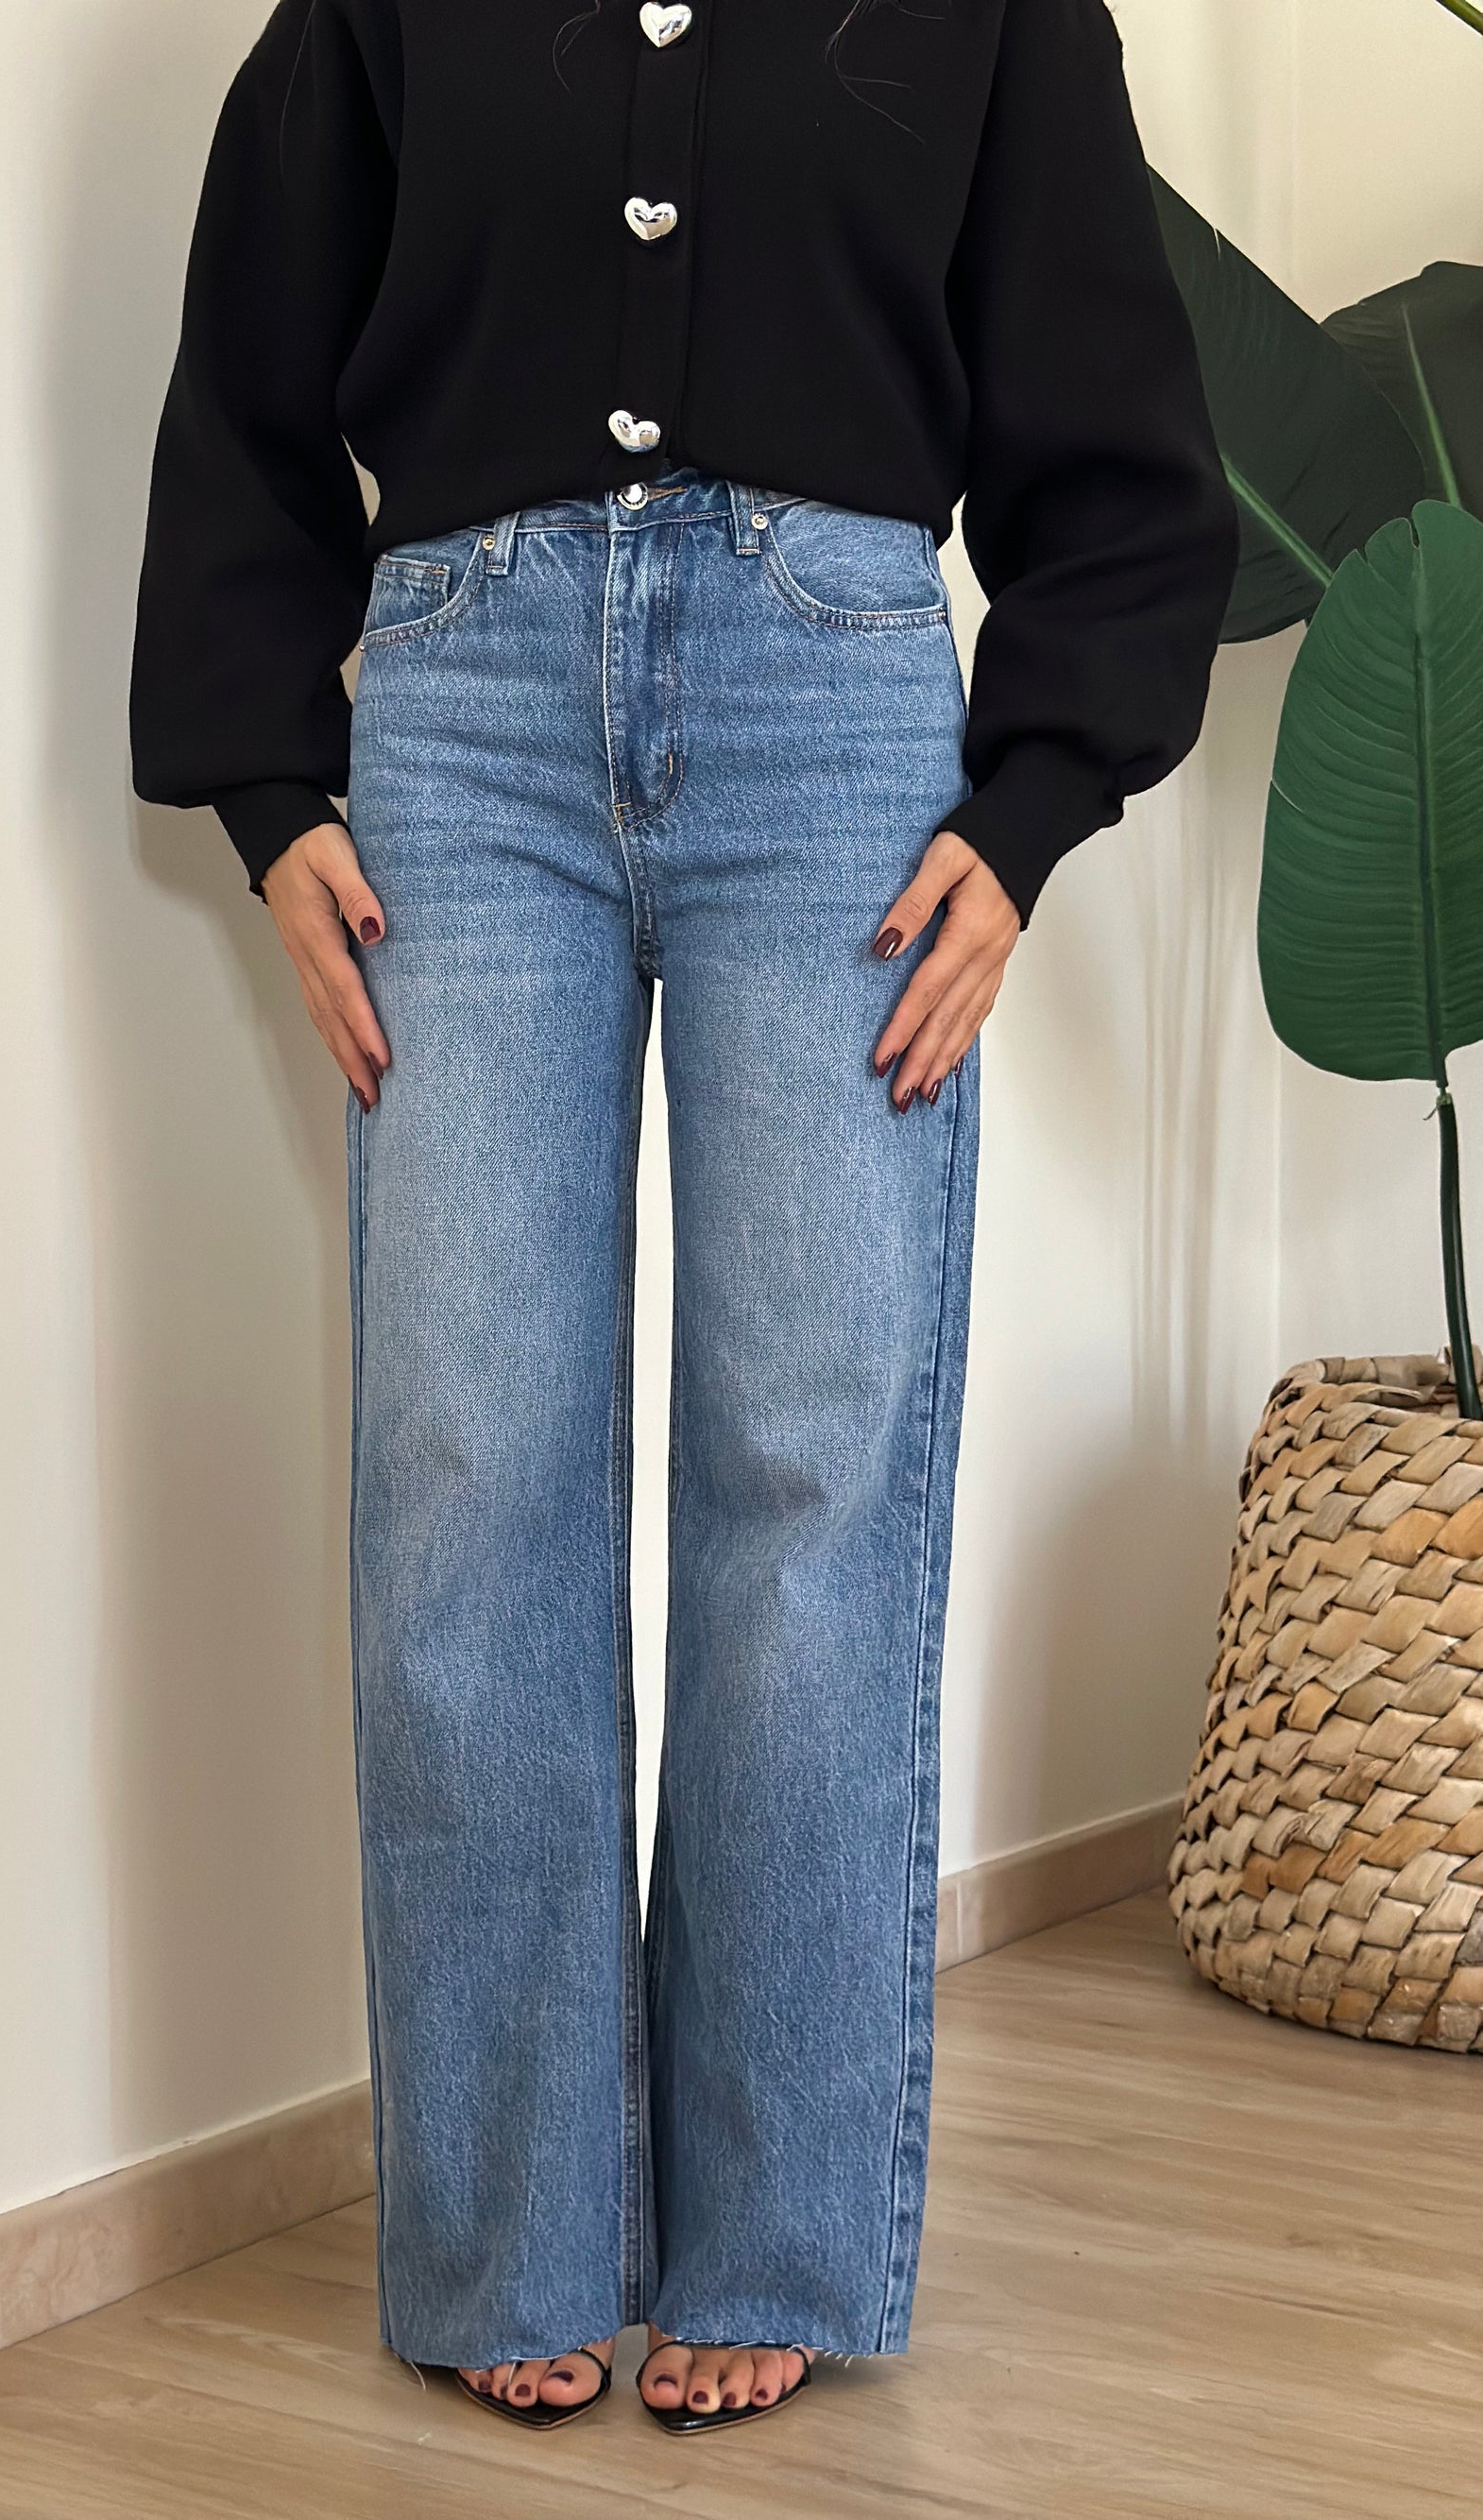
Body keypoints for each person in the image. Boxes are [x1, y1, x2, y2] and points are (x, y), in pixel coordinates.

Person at [128, 0, 1236, 2439]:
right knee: (465, 1467)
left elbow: (1109, 407)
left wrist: (1032, 804)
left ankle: (774, 2222)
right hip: (463, 722)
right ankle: (508, 2225)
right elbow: (251, 355)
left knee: (812, 1480)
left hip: (835, 727)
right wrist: (269, 787)